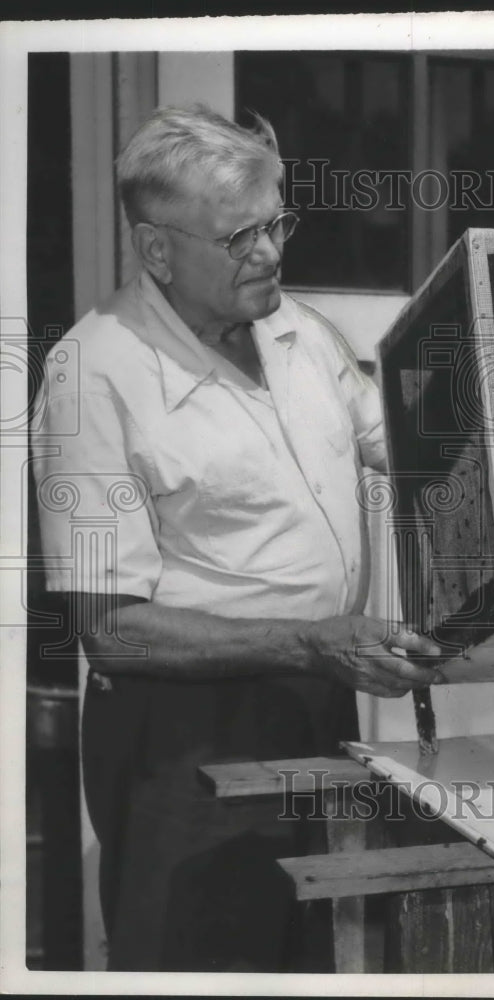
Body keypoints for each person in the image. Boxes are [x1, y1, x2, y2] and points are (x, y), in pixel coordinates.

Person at [32, 105, 443, 972]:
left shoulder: (298, 332)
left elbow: (397, 447)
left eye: (277, 223)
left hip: (316, 699)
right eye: (239, 236)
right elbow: (110, 625)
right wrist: (306, 638)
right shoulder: (94, 374)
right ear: (156, 251)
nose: (270, 253)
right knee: (201, 956)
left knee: (304, 954)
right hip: (184, 741)